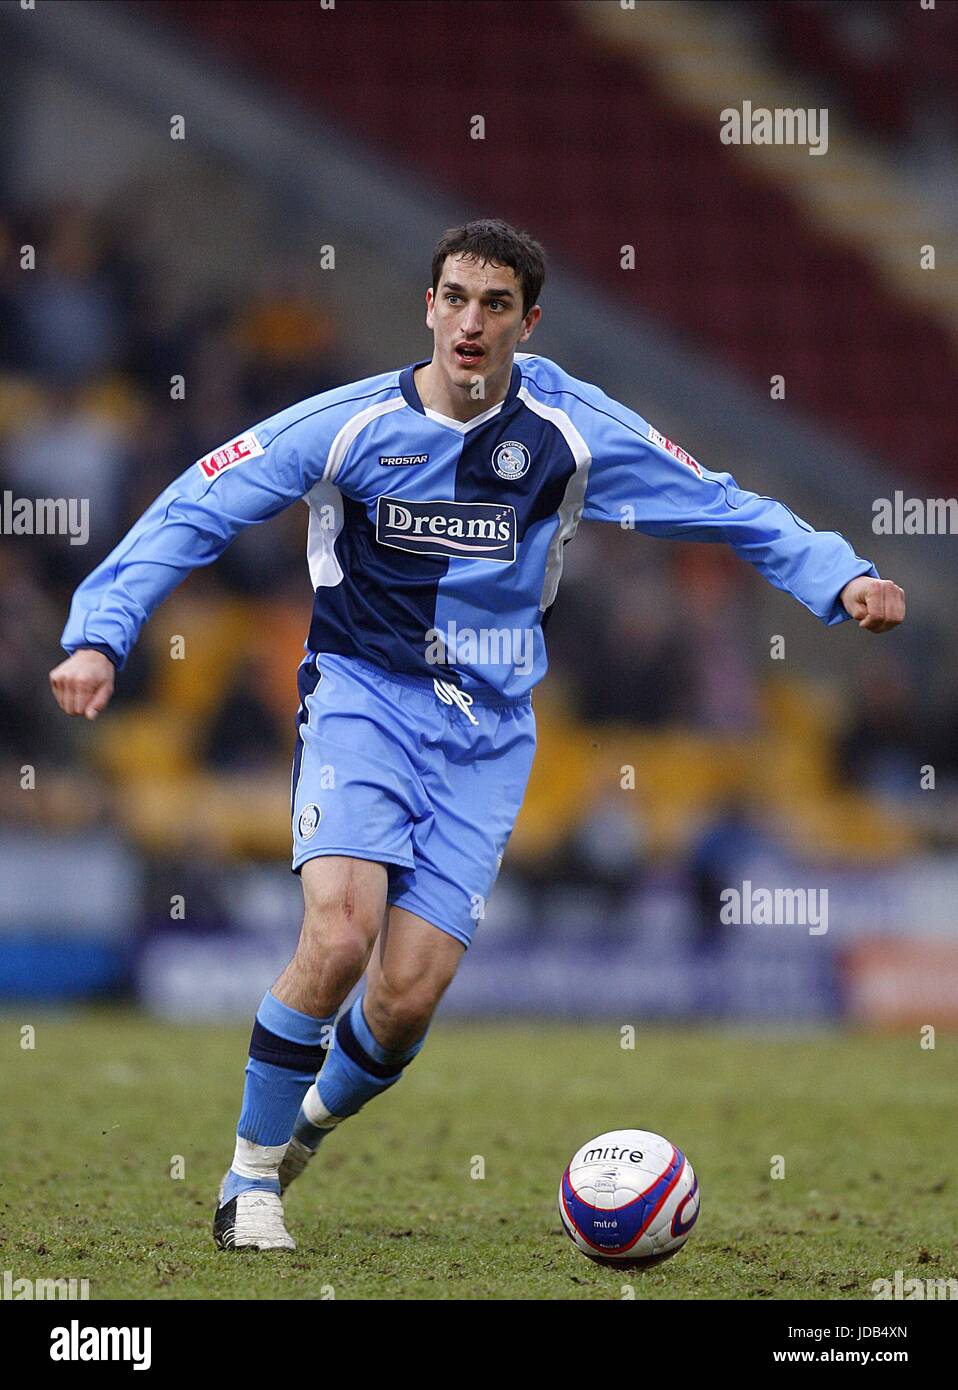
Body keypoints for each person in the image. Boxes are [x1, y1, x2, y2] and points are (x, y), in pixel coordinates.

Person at [49, 218, 906, 1252]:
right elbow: (196, 503)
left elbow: (723, 508)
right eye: (454, 297)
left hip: (490, 728)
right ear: (427, 306)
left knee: (405, 995)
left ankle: (305, 1125)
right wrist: (99, 633)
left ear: (526, 322)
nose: (470, 320)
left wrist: (840, 573)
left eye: (494, 305)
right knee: (339, 933)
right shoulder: (350, 424)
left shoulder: (573, 430)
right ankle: (247, 1181)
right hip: (363, 696)